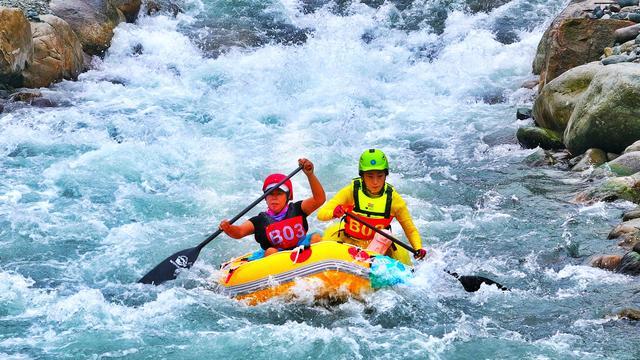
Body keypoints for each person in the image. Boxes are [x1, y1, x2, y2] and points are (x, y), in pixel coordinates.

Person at [317, 149, 427, 265]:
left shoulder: (394, 200)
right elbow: (321, 214)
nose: (375, 182)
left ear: (385, 175)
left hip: (379, 247)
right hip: (349, 241)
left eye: (380, 176)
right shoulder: (351, 191)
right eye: (370, 176)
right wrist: (333, 213)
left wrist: (418, 248)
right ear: (362, 176)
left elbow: (410, 229)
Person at [219, 158, 326, 259]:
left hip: (301, 247)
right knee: (271, 251)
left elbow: (319, 199)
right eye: (270, 194)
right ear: (265, 197)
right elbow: (240, 232)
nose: (274, 197)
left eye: (279, 193)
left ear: (289, 196)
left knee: (316, 238)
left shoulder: (298, 208)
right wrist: (228, 228)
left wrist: (310, 175)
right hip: (275, 257)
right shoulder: (259, 221)